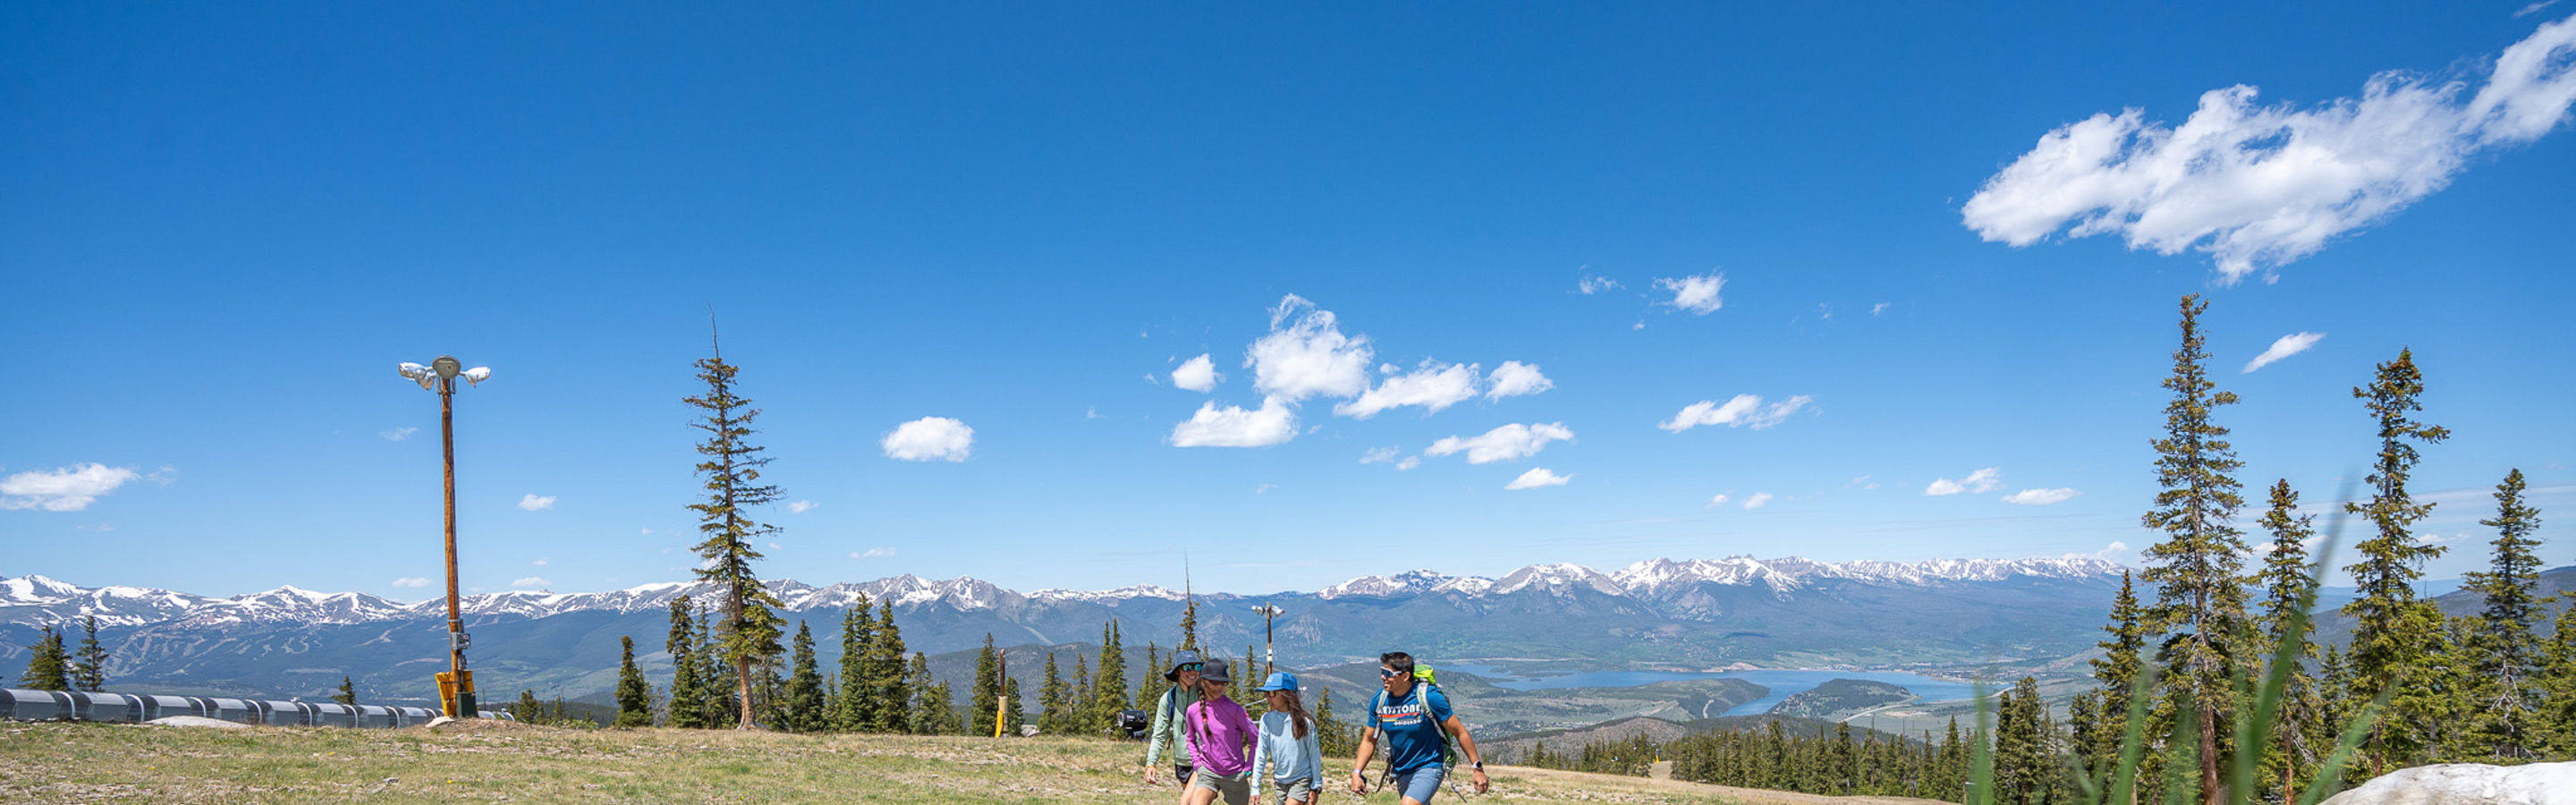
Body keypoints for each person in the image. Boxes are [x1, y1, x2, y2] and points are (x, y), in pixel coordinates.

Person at [1348, 651, 1487, 804]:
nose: (1382, 677)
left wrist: (1477, 768)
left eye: (1388, 673)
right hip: (1401, 770)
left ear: (1405, 676)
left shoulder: (1429, 697)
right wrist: (1357, 773)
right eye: (1382, 672)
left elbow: (1460, 732)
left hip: (1430, 766)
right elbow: (1369, 740)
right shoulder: (1380, 701)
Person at [1182, 657, 1257, 805]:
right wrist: (1197, 764)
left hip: (1235, 775)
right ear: (1203, 682)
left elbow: (1256, 738)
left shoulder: (1235, 710)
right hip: (1208, 772)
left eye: (1223, 683)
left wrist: (1248, 770)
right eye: (1214, 682)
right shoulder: (1192, 711)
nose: (1219, 687)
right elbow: (1190, 739)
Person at [1250, 671, 1323, 805]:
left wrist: (1316, 785)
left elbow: (1314, 754)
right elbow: (1261, 754)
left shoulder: (1305, 722)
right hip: (1280, 782)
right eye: (1266, 693)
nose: (1267, 697)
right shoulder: (1266, 720)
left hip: (1301, 779)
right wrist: (1255, 788)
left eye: (1272, 693)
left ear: (1287, 694)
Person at [1144, 649, 1206, 796]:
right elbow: (1159, 735)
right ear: (1177, 672)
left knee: (1189, 801)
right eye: (1186, 667)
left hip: (1204, 761)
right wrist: (1151, 763)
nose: (1192, 672)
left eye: (1196, 667)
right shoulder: (1168, 699)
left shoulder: (1207, 696)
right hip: (1182, 763)